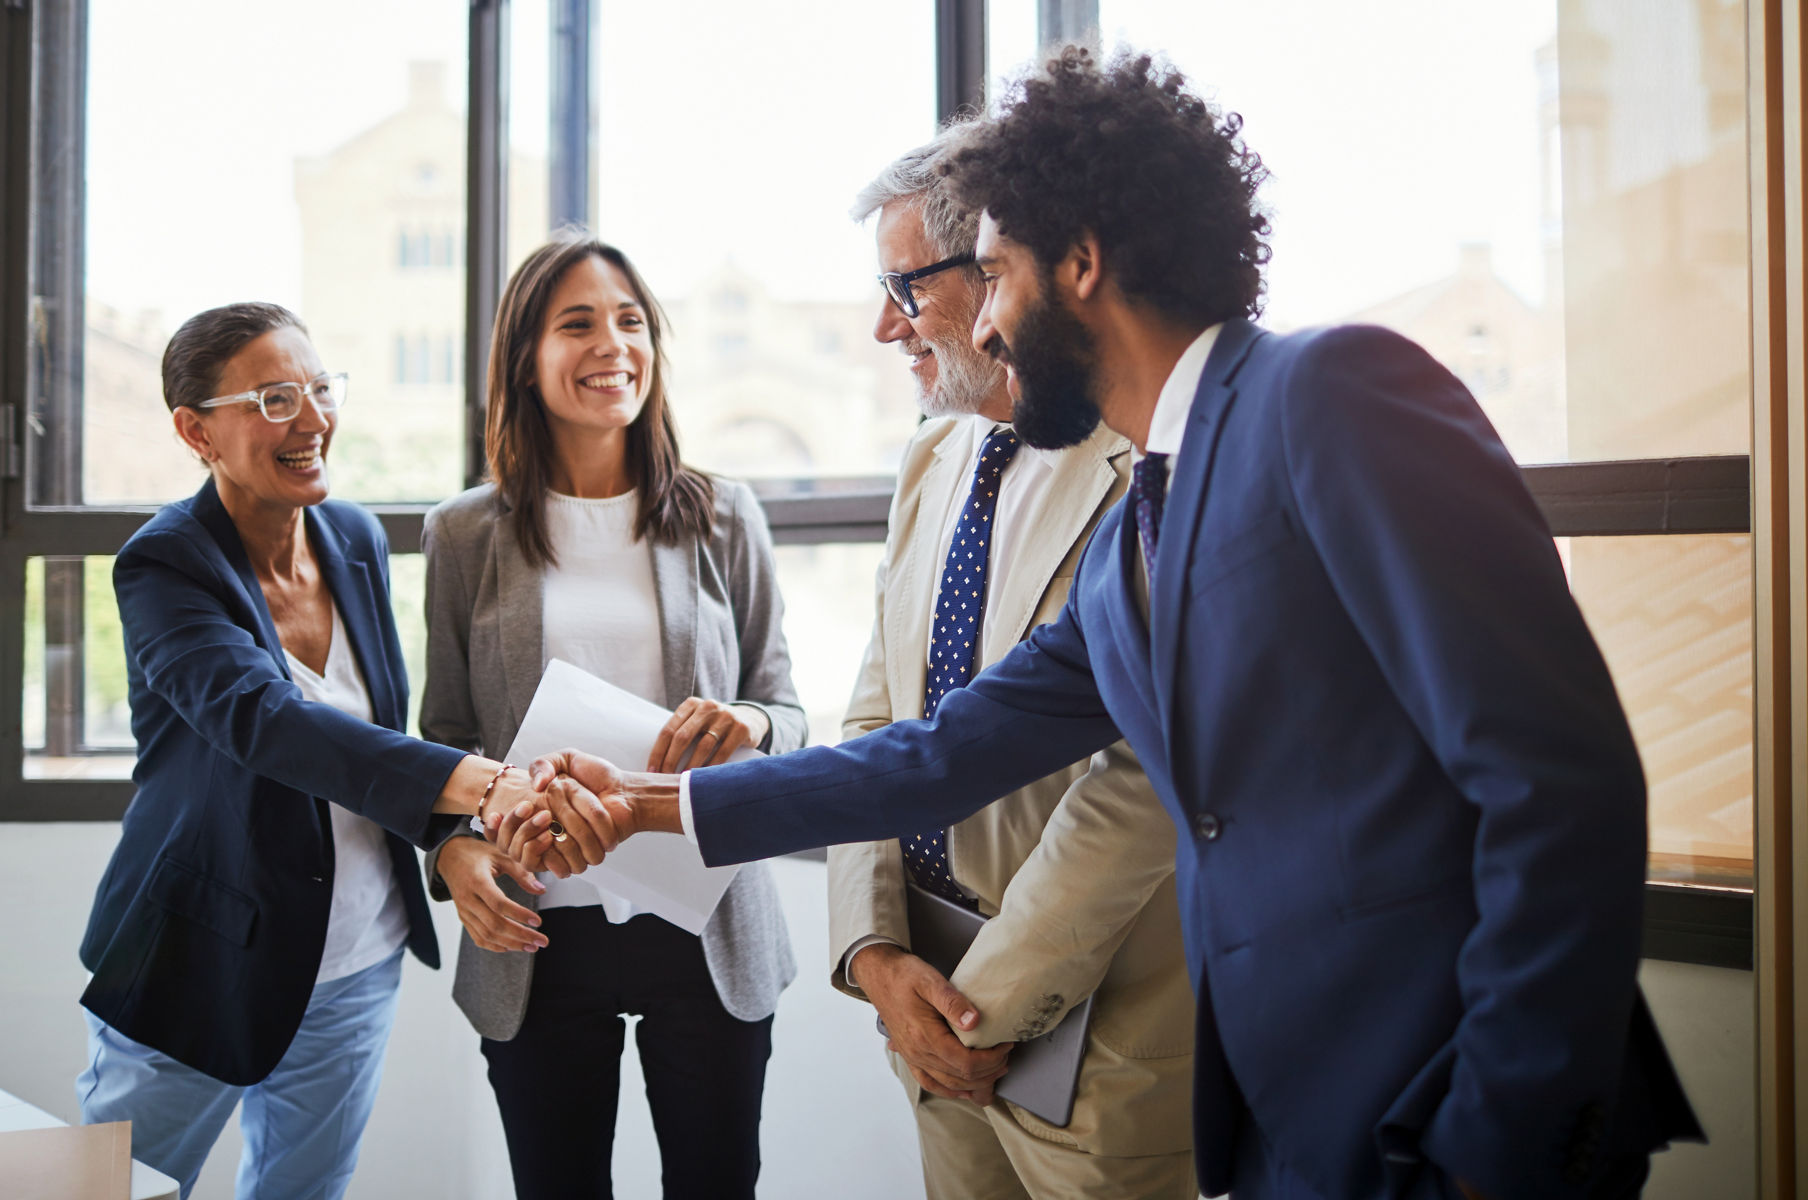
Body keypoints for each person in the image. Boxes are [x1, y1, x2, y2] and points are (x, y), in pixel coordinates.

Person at [501, 49, 1704, 1200]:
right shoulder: (1144, 514)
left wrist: (1502, 1143)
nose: (979, 325)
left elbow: (1560, 783)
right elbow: (939, 753)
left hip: (1450, 1116)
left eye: (997, 275)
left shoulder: (1330, 394)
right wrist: (646, 804)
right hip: (1293, 1122)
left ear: (1078, 261)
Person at [76, 302, 545, 1198]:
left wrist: (449, 834)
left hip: (355, 956)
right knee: (116, 1190)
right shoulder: (165, 564)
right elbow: (262, 721)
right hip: (198, 956)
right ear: (195, 430)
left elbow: (373, 740)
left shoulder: (354, 538)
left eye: (320, 389)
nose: (314, 419)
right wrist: (477, 784)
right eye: (275, 398)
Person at [830, 131, 1194, 1198]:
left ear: (1000, 268)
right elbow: (874, 721)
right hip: (921, 995)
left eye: (906, 287)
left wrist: (981, 1003)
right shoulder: (931, 452)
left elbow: (1140, 785)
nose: (884, 325)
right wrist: (872, 956)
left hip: (1099, 1031)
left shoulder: (1147, 466)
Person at [419, 233, 804, 1200]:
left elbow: (789, 709)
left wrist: (751, 725)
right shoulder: (465, 532)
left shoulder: (724, 514)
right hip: (538, 928)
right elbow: (443, 739)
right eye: (579, 323)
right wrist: (453, 850)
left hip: (705, 919)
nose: (613, 345)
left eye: (631, 322)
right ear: (526, 357)